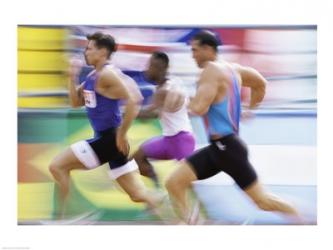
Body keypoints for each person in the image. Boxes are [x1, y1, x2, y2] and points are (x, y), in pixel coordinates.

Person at [165, 30, 301, 224]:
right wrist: (249, 109)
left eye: (195, 50)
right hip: (219, 148)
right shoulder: (233, 69)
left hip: (227, 149)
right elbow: (260, 83)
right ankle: (191, 225)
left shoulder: (210, 71)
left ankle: (301, 220)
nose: (192, 55)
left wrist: (178, 101)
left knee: (263, 201)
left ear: (208, 49)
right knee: (174, 183)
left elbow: (199, 108)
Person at [49, 32, 162, 219]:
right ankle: (167, 212)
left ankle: (68, 216)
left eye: (89, 48)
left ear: (102, 52)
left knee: (57, 166)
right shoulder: (94, 76)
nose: (85, 52)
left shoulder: (108, 74)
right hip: (109, 142)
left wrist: (121, 134)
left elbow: (135, 100)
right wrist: (72, 76)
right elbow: (76, 102)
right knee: (137, 195)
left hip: (110, 140)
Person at [131, 51, 195, 188]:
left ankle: (191, 207)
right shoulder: (170, 85)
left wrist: (127, 111)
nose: (146, 69)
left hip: (182, 140)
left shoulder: (164, 90)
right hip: (169, 140)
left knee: (189, 186)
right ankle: (157, 190)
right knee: (137, 158)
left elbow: (148, 115)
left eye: (150, 66)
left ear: (160, 68)